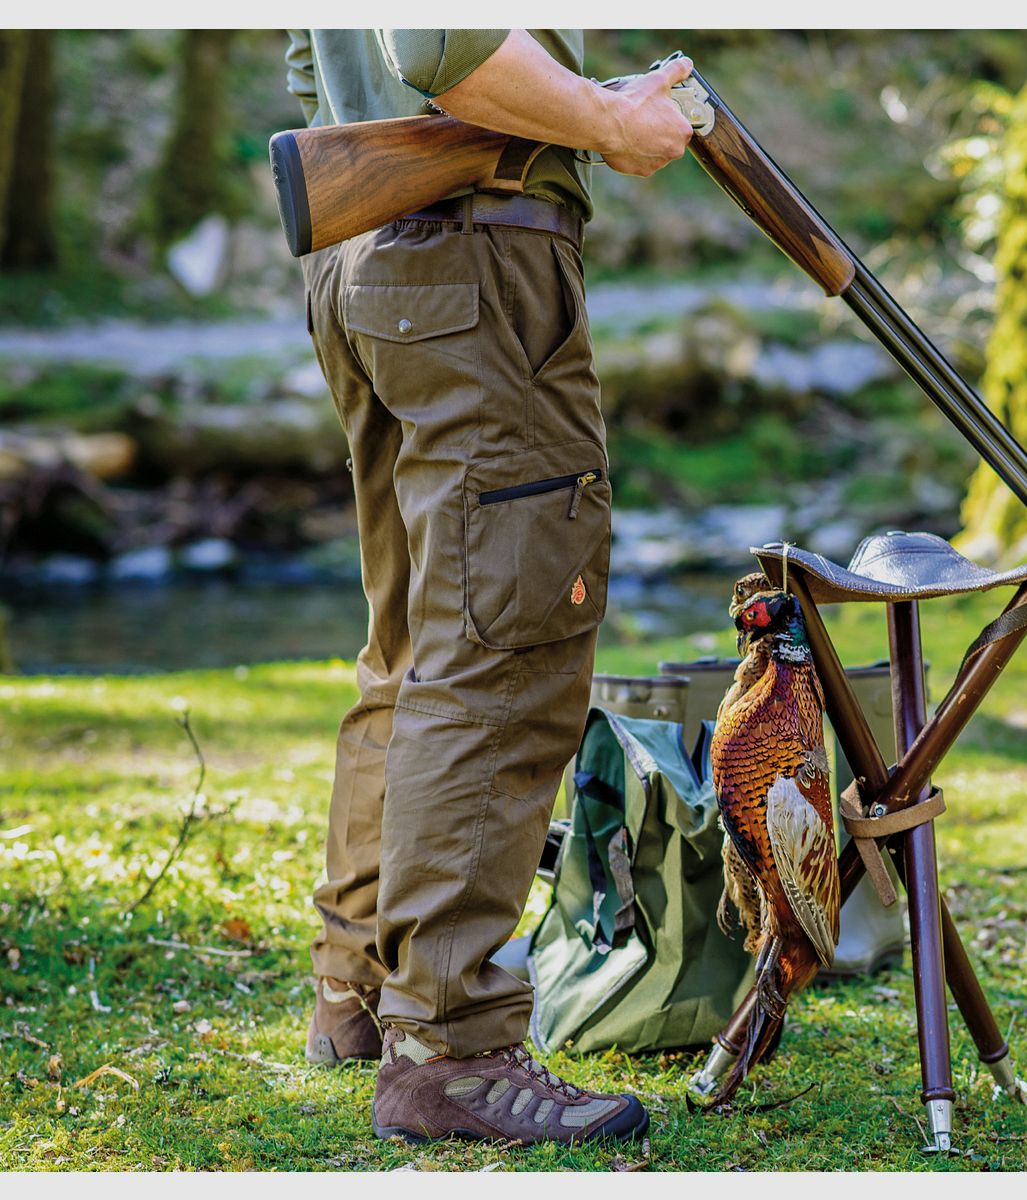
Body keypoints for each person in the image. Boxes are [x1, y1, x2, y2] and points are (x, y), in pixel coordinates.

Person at [284, 28, 694, 1146]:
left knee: (420, 645)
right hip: (477, 266)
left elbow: (317, 72)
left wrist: (567, 99)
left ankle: (362, 992)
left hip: (372, 261)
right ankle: (452, 1045)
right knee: (503, 651)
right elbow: (441, 37)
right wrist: (604, 123)